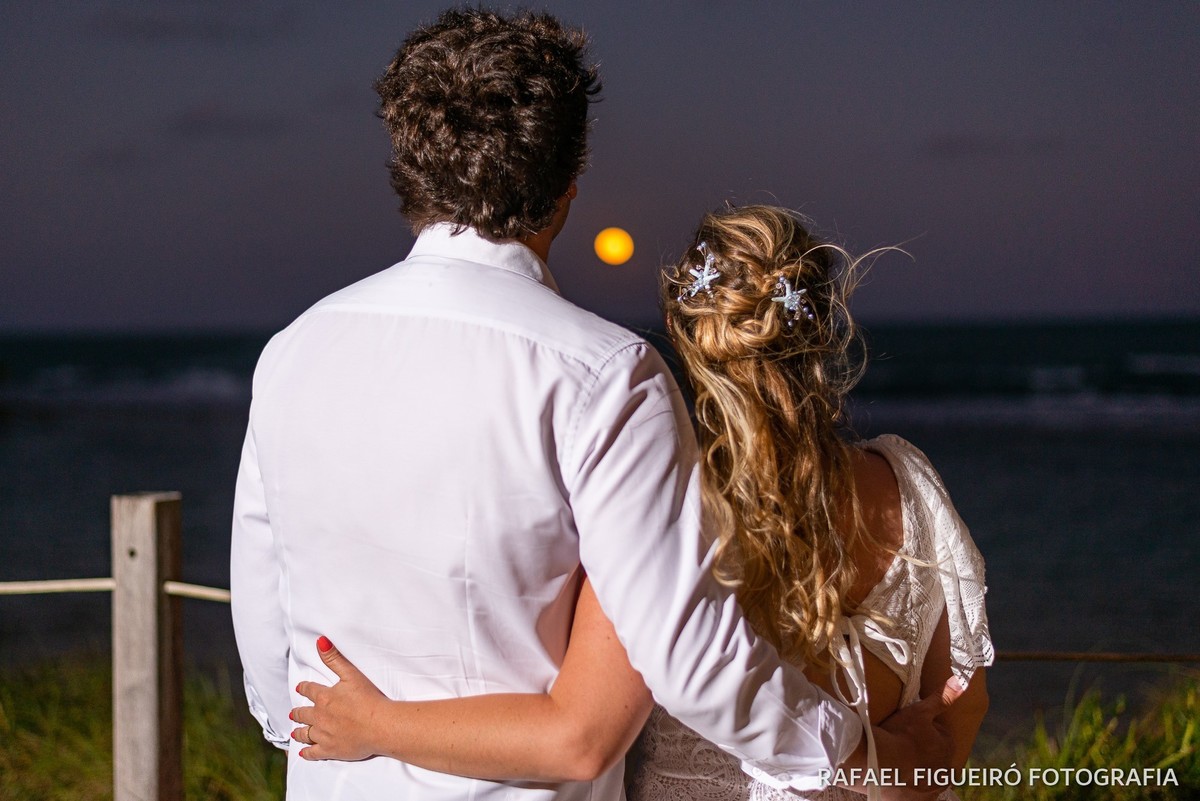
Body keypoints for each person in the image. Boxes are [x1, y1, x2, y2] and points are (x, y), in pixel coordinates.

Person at [231, 8, 959, 801]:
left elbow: (271, 649)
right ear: (568, 190)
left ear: (407, 167)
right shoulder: (603, 374)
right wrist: (863, 756)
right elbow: (692, 659)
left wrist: (358, 744)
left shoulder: (292, 353)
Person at [288, 207, 994, 801]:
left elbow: (577, 733)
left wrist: (378, 723)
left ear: (681, 330)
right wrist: (897, 770)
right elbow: (959, 706)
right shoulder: (906, 486)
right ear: (825, 325)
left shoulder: (661, 507)